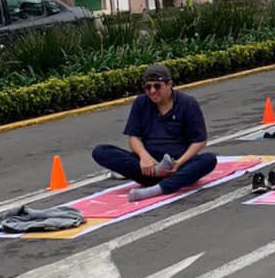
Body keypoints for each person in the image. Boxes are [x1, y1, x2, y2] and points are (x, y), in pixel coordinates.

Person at [92, 64, 217, 202]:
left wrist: (179, 163)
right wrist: (144, 157)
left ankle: (157, 189)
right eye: (148, 87)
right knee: (101, 151)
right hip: (149, 168)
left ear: (169, 84)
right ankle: (158, 176)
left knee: (209, 160)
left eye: (157, 86)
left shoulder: (187, 103)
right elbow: (134, 137)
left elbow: (199, 140)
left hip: (178, 166)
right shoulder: (141, 103)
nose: (152, 91)